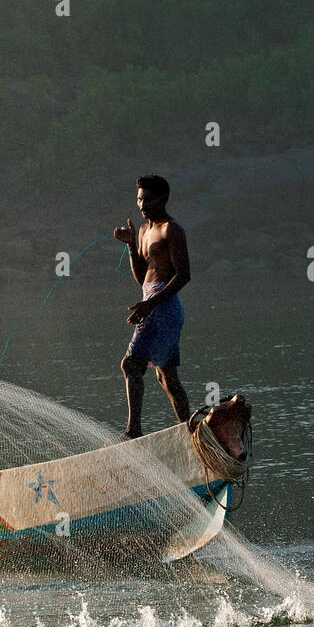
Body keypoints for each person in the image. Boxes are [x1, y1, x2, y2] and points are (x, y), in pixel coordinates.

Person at [114, 174, 191, 438]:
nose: (142, 204)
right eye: (139, 199)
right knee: (166, 376)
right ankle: (189, 429)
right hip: (151, 300)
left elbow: (183, 275)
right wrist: (131, 246)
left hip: (164, 304)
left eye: (148, 199)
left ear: (163, 199)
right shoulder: (145, 232)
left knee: (131, 365)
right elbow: (141, 277)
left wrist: (151, 305)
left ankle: (133, 431)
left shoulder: (172, 229)